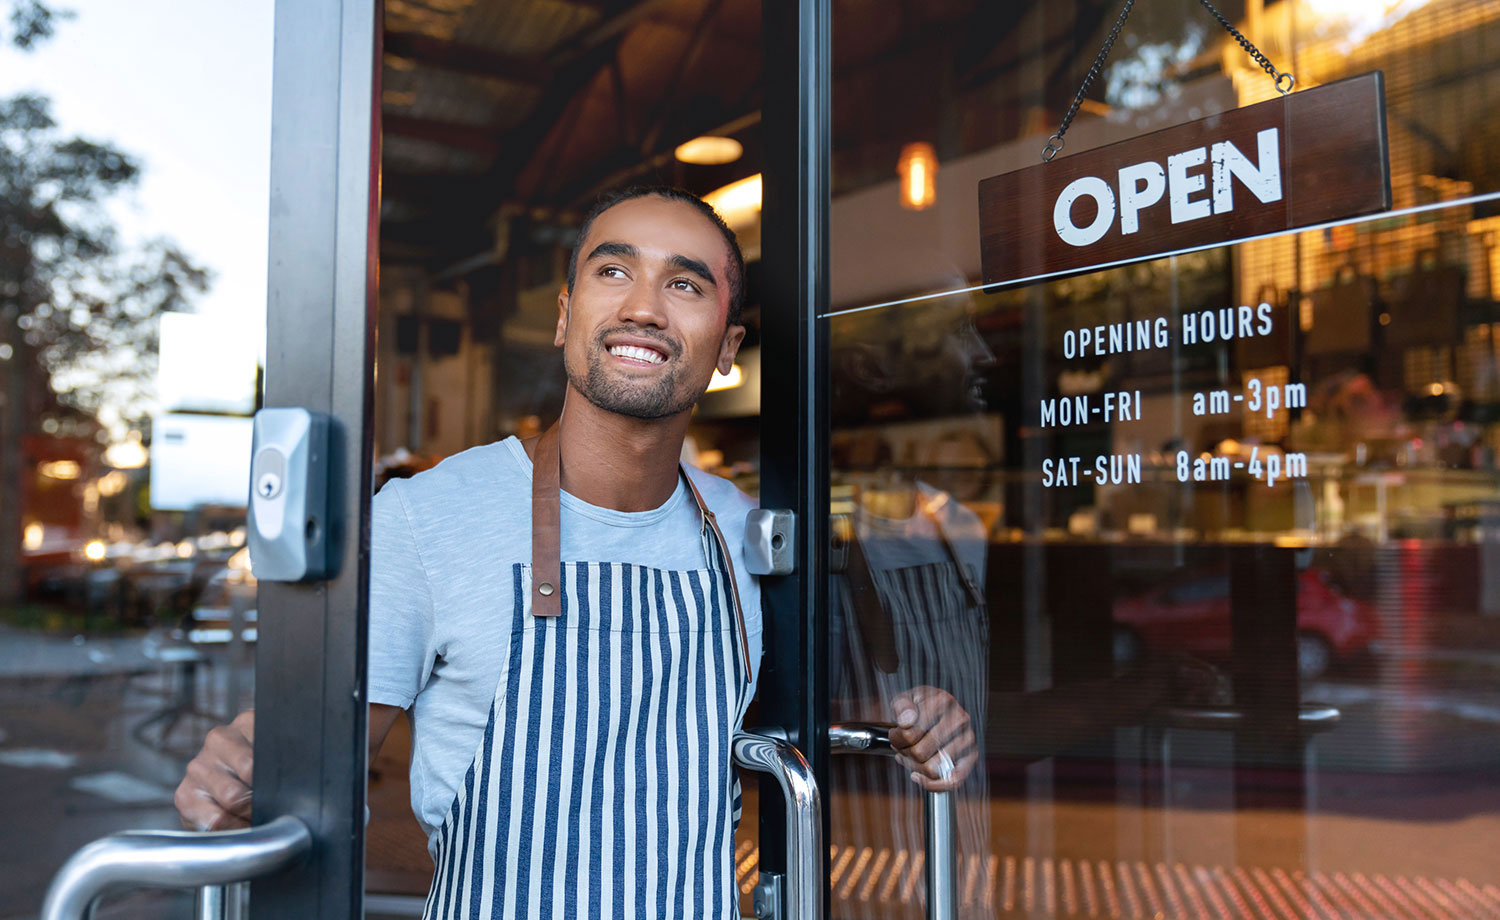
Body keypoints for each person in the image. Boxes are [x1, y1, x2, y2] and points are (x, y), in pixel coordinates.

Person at [175, 186, 974, 919]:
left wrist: (925, 724)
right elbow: (325, 757)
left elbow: (809, 722)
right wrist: (244, 772)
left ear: (727, 346)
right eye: (614, 271)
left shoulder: (747, 532)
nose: (645, 308)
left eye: (685, 285)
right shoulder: (427, 518)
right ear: (565, 317)